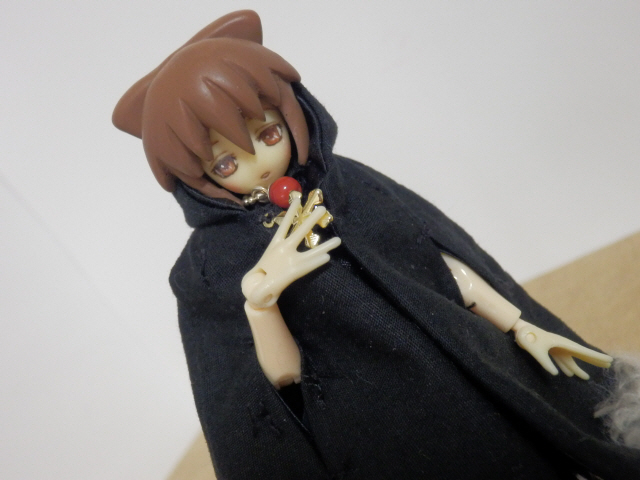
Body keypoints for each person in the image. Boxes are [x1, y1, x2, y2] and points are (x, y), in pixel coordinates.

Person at [113, 10, 640, 479]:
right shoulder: (209, 269)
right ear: (196, 175)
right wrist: (260, 303)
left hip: (468, 379)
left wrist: (520, 324)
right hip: (376, 435)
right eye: (226, 163)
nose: (259, 163)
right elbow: (279, 388)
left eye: (268, 134)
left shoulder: (349, 183)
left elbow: (436, 263)